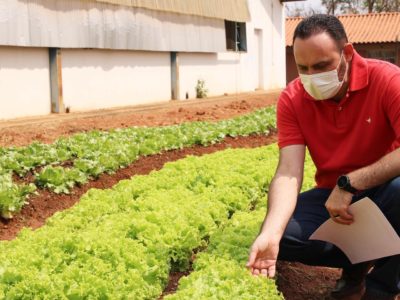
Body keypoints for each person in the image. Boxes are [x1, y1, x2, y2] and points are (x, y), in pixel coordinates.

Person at [246, 14, 400, 300]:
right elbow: (288, 171)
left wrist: (349, 183)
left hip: (386, 191)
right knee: (285, 234)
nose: (313, 77)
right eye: (303, 68)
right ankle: (356, 266)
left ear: (348, 54)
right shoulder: (293, 98)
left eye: (322, 66)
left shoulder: (388, 80)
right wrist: (270, 232)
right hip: (332, 198)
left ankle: (382, 286)